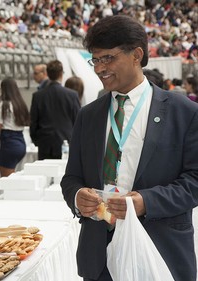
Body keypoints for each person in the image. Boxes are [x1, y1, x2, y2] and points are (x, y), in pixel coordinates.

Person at [61, 15, 198, 281]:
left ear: (137, 54)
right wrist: (78, 197)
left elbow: (195, 181)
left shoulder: (185, 113)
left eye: (108, 58)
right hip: (99, 256)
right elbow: (71, 178)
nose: (100, 69)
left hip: (161, 251)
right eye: (95, 60)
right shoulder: (88, 116)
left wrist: (146, 202)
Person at [30, 60, 81, 160]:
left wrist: (37, 141)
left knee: (45, 174)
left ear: (47, 74)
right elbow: (77, 121)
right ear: (61, 74)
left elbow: (33, 122)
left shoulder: (38, 96)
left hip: (45, 143)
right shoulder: (72, 95)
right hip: (66, 143)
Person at [0, 78, 30, 177]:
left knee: (7, 181)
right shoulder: (20, 104)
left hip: (8, 144)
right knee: (14, 177)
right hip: (21, 142)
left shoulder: (3, 105)